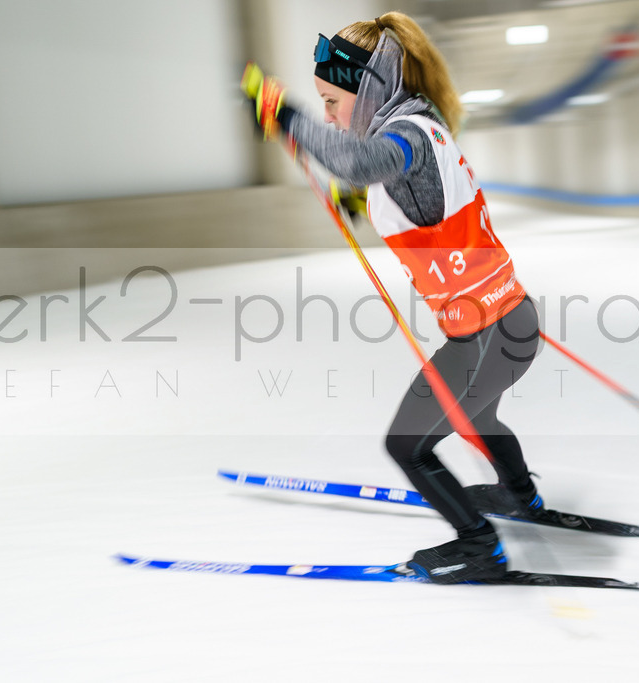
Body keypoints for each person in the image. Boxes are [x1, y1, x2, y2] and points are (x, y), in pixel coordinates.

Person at [242, 11, 548, 584]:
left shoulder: (403, 136)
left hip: (484, 335)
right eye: (322, 105)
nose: (330, 116)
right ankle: (523, 498)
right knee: (479, 418)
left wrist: (285, 116)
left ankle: (481, 546)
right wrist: (359, 207)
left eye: (333, 102)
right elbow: (420, 201)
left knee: (407, 445)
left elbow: (359, 162)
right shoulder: (422, 123)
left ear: (370, 88)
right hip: (512, 324)